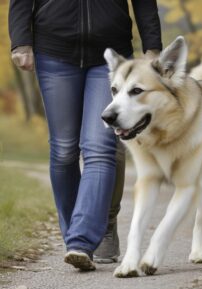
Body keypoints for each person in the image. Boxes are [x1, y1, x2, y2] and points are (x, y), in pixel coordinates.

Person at [9, 0, 162, 271]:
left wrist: (152, 46)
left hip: (111, 52)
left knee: (100, 146)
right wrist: (21, 40)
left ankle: (82, 239)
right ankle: (77, 236)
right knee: (64, 150)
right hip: (54, 50)